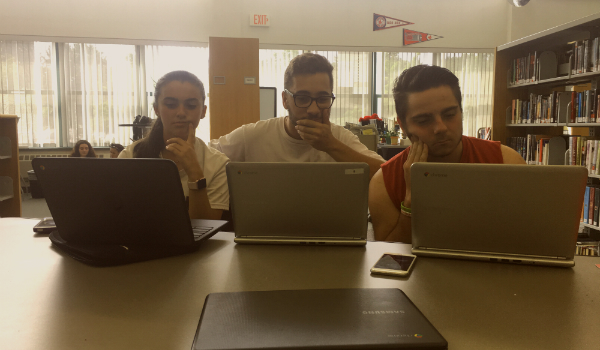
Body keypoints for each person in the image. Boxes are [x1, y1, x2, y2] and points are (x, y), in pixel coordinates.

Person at [369, 65, 526, 243]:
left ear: (461, 111)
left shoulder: (506, 162)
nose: (441, 128)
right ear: (403, 126)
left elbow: (529, 238)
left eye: (450, 115)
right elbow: (388, 259)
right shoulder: (383, 182)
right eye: (423, 120)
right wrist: (412, 201)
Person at [209, 53, 384, 179]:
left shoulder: (340, 138)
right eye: (303, 98)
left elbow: (386, 175)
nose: (314, 109)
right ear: (285, 100)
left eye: (323, 98)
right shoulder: (254, 136)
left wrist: (331, 145)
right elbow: (208, 155)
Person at [119, 70, 229, 220]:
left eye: (190, 105)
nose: (181, 112)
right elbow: (120, 217)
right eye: (171, 105)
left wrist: (194, 172)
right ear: (156, 109)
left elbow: (207, 226)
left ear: (203, 111)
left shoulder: (218, 164)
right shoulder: (130, 156)